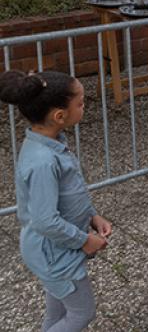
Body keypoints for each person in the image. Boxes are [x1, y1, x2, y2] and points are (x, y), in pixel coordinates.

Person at [1, 70, 111, 332]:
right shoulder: (43, 161)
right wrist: (84, 240)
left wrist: (92, 216)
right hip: (55, 255)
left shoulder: (51, 144)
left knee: (58, 311)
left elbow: (69, 194)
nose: (84, 107)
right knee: (82, 313)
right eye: (81, 103)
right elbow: (44, 219)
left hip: (53, 250)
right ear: (59, 116)